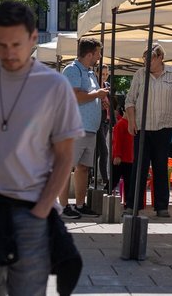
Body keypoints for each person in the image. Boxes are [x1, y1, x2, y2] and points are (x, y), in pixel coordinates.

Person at [0, 0, 83, 295]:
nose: (9, 53)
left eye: (16, 44)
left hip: (32, 211)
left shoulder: (54, 87)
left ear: (34, 38)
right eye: (1, 45)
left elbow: (64, 156)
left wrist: (43, 208)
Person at [124, 43, 172, 218]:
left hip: (163, 127)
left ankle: (162, 206)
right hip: (142, 127)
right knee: (139, 167)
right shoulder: (140, 75)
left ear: (160, 58)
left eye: (149, 58)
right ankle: (133, 205)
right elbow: (129, 100)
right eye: (144, 58)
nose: (146, 62)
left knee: (160, 167)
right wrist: (131, 121)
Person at [59, 37, 109, 219]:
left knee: (84, 168)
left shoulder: (89, 73)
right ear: (90, 54)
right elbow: (76, 96)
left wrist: (99, 101)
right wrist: (98, 94)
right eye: (98, 53)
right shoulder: (72, 70)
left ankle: (80, 205)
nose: (99, 57)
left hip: (89, 128)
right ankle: (63, 206)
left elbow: (87, 96)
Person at [111, 98, 134, 197]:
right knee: (113, 181)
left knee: (129, 182)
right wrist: (117, 155)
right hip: (121, 159)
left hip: (129, 159)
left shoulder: (131, 124)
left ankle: (128, 203)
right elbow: (117, 142)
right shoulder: (120, 124)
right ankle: (104, 195)